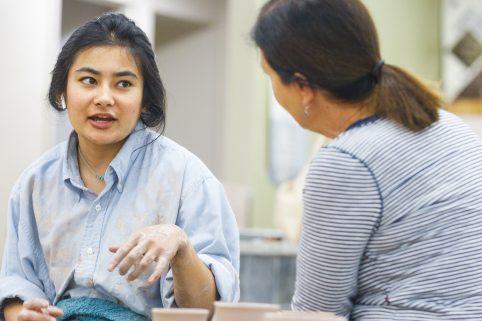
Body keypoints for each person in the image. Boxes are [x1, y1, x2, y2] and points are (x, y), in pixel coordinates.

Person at [0, 13, 239, 321]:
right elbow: (16, 284)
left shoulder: (189, 180)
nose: (104, 98)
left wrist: (182, 249)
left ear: (145, 100)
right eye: (89, 80)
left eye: (123, 84)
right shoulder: (34, 182)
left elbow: (208, 312)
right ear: (62, 90)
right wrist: (22, 315)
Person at [252, 0, 482, 320]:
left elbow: (317, 314)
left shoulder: (346, 161)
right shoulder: (447, 125)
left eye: (270, 75)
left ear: (303, 87)